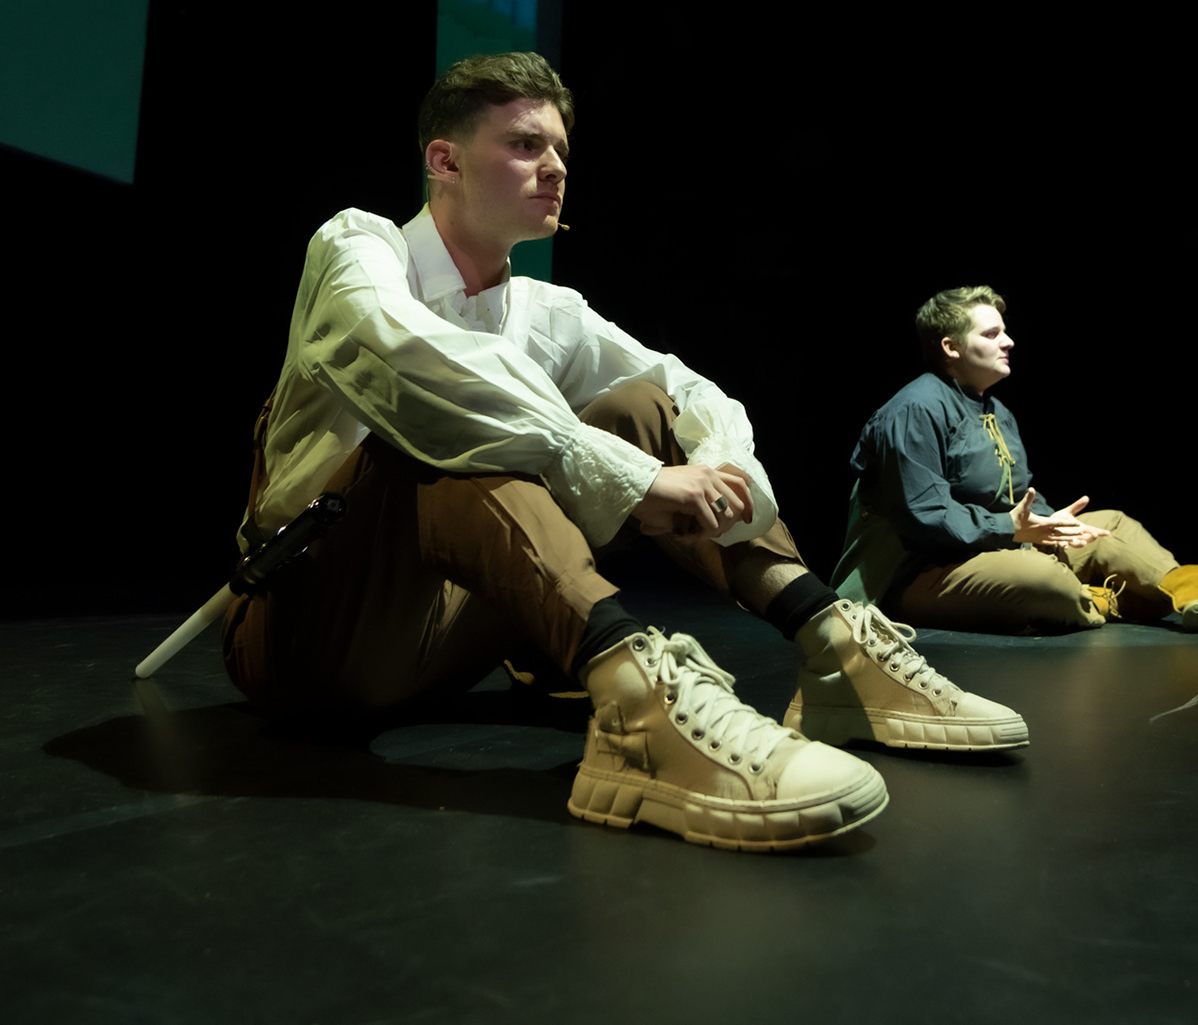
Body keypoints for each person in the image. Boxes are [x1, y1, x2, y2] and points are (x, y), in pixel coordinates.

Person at [220, 54, 1026, 853]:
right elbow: (412, 365)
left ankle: (833, 649)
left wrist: (719, 467)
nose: (555, 168)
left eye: (561, 151)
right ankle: (635, 708)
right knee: (447, 429)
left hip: (447, 644)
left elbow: (687, 389)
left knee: (638, 407)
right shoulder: (359, 247)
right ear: (446, 160)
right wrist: (627, 477)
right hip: (309, 642)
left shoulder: (545, 309)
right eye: (526, 145)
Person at [833, 285, 1198, 635]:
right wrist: (1012, 529)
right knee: (1043, 580)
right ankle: (1105, 600)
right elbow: (924, 516)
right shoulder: (915, 409)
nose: (1008, 341)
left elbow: (1018, 499)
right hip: (917, 572)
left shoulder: (996, 411)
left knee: (1112, 525)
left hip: (993, 549)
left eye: (1005, 331)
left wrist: (1050, 523)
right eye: (992, 333)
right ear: (951, 348)